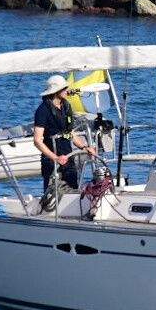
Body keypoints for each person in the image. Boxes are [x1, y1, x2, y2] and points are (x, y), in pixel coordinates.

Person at [33, 75, 98, 210]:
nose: (67, 90)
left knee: (73, 189)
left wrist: (85, 147)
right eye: (64, 88)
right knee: (51, 194)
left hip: (68, 157)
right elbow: (37, 141)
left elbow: (71, 133)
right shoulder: (42, 111)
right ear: (56, 91)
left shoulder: (66, 107)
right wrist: (55, 158)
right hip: (51, 160)